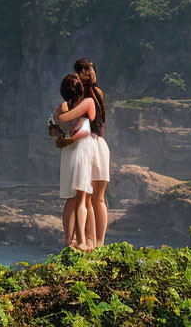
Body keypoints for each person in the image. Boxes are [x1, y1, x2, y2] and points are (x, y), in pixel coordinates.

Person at [53, 72, 95, 250]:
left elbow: (58, 129)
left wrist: (62, 140)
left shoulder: (61, 109)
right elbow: (81, 131)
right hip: (81, 150)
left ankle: (69, 241)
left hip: (68, 152)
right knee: (82, 196)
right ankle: (82, 241)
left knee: (71, 199)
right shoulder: (82, 109)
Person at [75, 57, 110, 247]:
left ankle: (88, 240)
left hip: (87, 145)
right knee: (99, 198)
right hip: (101, 144)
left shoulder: (82, 96)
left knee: (86, 197)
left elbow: (77, 123)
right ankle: (100, 242)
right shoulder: (98, 93)